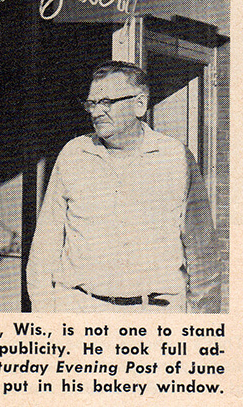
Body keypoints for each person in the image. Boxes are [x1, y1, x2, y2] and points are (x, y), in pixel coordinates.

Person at [27, 61, 221, 312]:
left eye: (106, 102)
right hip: (80, 309)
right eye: (91, 103)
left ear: (140, 104)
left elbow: (202, 251)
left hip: (154, 314)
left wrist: (201, 325)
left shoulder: (176, 158)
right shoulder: (73, 154)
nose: (96, 112)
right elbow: (45, 244)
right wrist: (44, 313)